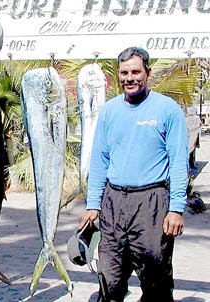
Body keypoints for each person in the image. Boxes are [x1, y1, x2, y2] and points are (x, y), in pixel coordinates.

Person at [79, 46, 188, 302]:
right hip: (113, 202)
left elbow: (178, 162)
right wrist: (93, 205)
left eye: (136, 72)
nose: (130, 78)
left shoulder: (167, 110)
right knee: (110, 279)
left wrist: (176, 209)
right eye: (124, 72)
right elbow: (99, 161)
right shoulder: (108, 111)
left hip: (152, 203)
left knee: (156, 283)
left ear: (147, 72)